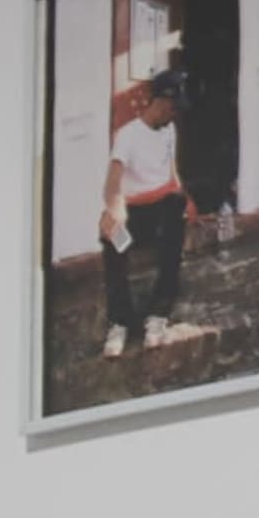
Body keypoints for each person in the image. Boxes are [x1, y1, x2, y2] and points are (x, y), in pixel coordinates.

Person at [99, 70, 189, 358]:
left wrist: (186, 198)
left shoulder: (169, 130)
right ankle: (120, 322)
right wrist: (116, 210)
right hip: (134, 209)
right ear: (161, 103)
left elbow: (171, 172)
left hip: (163, 204)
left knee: (176, 213)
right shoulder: (128, 136)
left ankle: (158, 314)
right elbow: (112, 184)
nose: (174, 114)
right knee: (112, 240)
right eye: (173, 108)